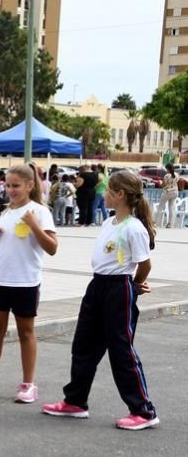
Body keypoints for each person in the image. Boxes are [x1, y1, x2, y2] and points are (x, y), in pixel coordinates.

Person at [42, 171, 158, 430]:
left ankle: (143, 411)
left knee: (121, 350)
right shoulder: (109, 223)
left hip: (119, 289)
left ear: (119, 194)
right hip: (97, 286)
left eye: (108, 191)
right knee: (83, 345)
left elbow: (144, 264)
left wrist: (135, 286)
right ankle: (75, 401)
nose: (103, 194)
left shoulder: (134, 228)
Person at [0, 164, 57, 404]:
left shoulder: (39, 211)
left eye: (16, 185)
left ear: (30, 185)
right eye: (8, 185)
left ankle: (29, 384)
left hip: (26, 281)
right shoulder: (7, 212)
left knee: (26, 332)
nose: (10, 190)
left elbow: (51, 248)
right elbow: (0, 249)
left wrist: (33, 225)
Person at [159, 163, 179, 229]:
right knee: (171, 208)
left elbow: (163, 185)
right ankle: (170, 224)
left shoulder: (167, 176)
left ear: (168, 168)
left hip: (167, 192)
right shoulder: (176, 175)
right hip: (175, 192)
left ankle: (156, 222)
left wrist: (160, 183)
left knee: (160, 207)